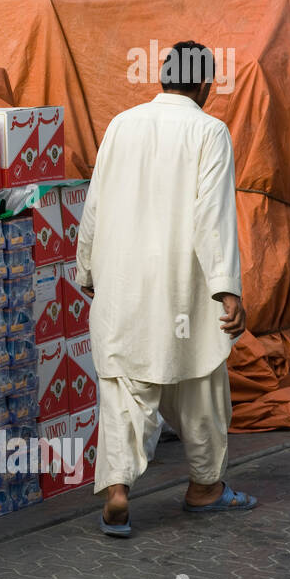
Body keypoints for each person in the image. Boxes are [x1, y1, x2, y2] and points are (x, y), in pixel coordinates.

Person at [76, 40, 255, 538]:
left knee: (124, 390)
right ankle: (205, 489)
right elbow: (213, 217)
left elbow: (95, 204)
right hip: (183, 288)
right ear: (204, 85)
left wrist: (86, 268)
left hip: (123, 283)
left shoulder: (120, 126)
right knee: (200, 385)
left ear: (163, 77)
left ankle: (118, 490)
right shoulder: (210, 131)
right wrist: (227, 291)